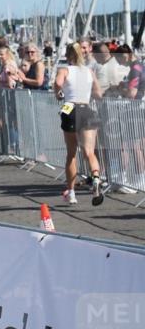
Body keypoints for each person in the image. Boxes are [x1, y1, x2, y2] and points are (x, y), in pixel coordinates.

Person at [54, 42, 104, 206]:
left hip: (70, 108)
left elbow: (57, 83)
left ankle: (72, 192)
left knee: (71, 153)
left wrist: (59, 94)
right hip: (86, 108)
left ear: (68, 56)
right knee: (90, 151)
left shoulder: (64, 69)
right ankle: (96, 178)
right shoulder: (89, 71)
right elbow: (98, 92)